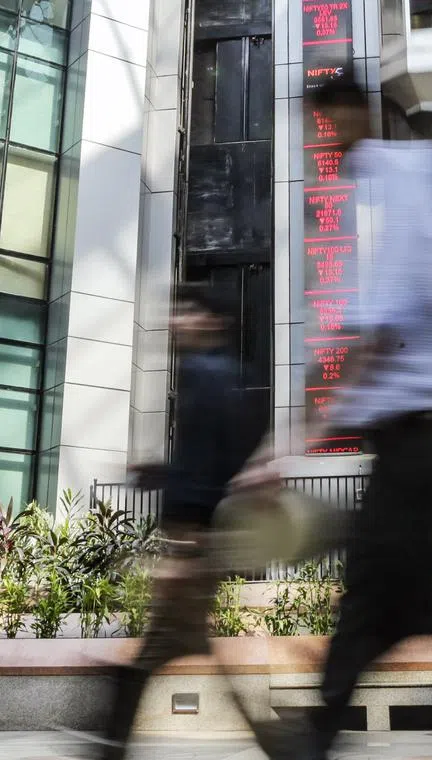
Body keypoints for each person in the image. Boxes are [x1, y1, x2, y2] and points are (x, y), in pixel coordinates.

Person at [233, 69, 432, 760]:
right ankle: (331, 730)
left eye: (323, 126)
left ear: (355, 115)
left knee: (369, 593)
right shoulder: (411, 176)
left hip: (423, 426)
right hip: (429, 426)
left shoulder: (394, 182)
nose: (319, 143)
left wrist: (288, 449)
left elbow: (373, 336)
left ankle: (318, 738)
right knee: (393, 598)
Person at [90, 282, 258, 760]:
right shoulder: (218, 375)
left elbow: (211, 468)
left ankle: (110, 746)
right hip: (196, 535)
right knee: (176, 650)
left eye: (186, 311)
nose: (175, 320)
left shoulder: (209, 374)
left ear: (212, 321)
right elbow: (212, 463)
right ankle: (284, 743)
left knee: (158, 652)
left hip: (192, 538)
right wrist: (159, 474)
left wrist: (186, 545)